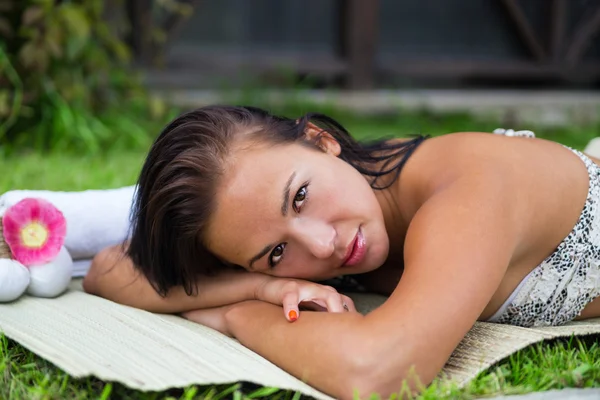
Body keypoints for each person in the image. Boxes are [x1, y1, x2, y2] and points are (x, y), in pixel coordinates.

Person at [83, 105, 600, 399]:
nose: (323, 244)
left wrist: (230, 316)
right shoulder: (338, 215)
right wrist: (266, 286)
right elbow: (108, 270)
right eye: (276, 251)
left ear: (321, 139)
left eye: (300, 195)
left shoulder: (466, 195)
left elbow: (374, 371)